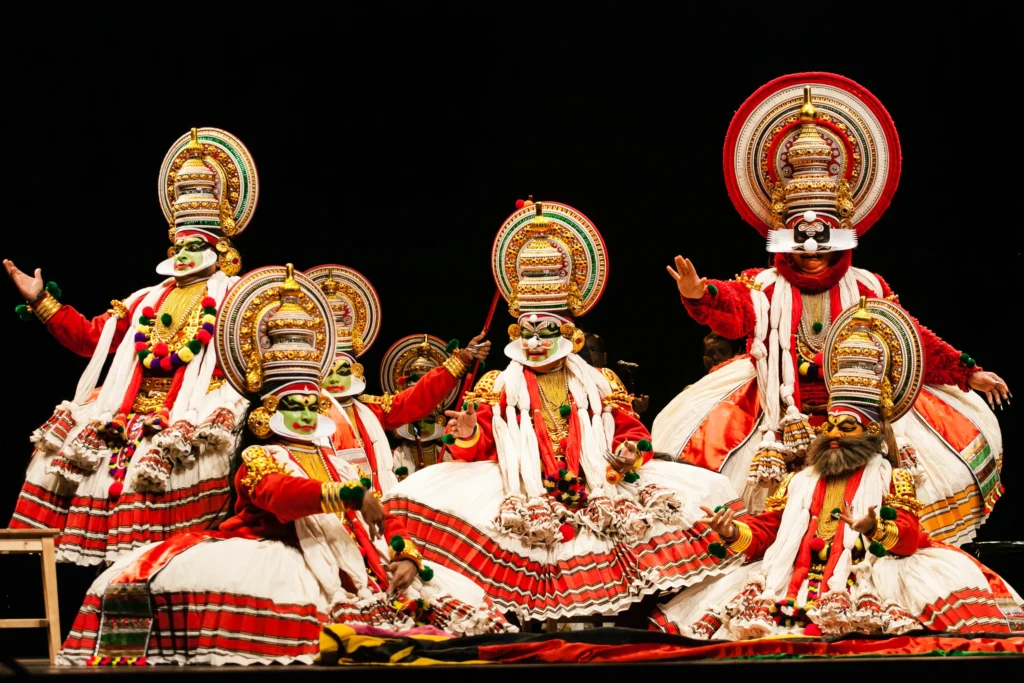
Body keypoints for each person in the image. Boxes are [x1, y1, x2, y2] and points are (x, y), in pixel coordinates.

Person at [58, 265, 512, 666]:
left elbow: (382, 513)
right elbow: (281, 495)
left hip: (359, 557)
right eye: (294, 404)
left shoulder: (339, 456)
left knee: (444, 610)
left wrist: (404, 554)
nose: (307, 414)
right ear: (270, 408)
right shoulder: (261, 455)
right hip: (285, 552)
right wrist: (350, 496)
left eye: (313, 404)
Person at [654, 74, 1009, 545]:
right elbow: (736, 311)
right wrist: (702, 295)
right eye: (800, 239)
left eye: (823, 236)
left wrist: (968, 372)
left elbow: (910, 341)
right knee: (767, 514)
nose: (812, 250)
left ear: (841, 234)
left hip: (858, 412)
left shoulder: (866, 287)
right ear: (784, 240)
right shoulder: (765, 285)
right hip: (780, 411)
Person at [385, 200, 742, 623]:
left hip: (596, 487)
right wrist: (467, 434)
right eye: (528, 331)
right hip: (524, 493)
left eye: (547, 331)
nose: (535, 342)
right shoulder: (497, 384)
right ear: (517, 332)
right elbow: (478, 449)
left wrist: (630, 453)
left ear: (570, 335)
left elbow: (632, 434)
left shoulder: (600, 381)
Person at [651, 298, 1023, 639]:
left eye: (845, 428)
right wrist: (734, 531)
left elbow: (911, 538)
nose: (831, 434)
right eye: (829, 425)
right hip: (793, 583)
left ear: (870, 432)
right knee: (763, 628)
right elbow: (767, 531)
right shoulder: (798, 480)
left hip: (863, 575)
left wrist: (874, 527)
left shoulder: (893, 478)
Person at [6, 128, 255, 565]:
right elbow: (90, 340)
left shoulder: (238, 298)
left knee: (157, 473)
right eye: (179, 244)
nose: (184, 253)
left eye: (196, 245)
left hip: (189, 413)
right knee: (52, 459)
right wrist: (41, 301)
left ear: (221, 248)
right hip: (126, 412)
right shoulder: (144, 300)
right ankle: (47, 581)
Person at [306, 265, 488, 493]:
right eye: (327, 371)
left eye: (342, 370)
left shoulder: (370, 411)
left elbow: (418, 398)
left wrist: (461, 359)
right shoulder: (304, 412)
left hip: (371, 505)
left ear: (356, 371)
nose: (333, 378)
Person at [378, 334, 462, 478]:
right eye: (416, 421)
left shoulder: (445, 455)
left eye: (428, 419)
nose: (421, 425)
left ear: (438, 421)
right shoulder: (396, 456)